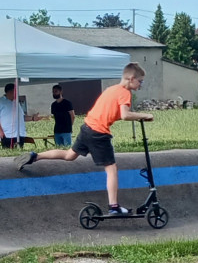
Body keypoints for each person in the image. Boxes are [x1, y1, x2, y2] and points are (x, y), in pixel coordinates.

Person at [17, 63, 153, 215]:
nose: (140, 85)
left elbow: (108, 112)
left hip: (87, 127)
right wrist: (145, 115)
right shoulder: (124, 93)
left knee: (69, 155)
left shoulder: (111, 90)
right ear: (131, 78)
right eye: (140, 81)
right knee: (112, 169)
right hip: (99, 133)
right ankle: (114, 206)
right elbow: (125, 115)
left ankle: (35, 156)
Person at [0, 83, 38, 148]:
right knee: (9, 154)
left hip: (20, 133)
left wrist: (32, 118)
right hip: (7, 134)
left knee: (19, 153)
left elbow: (22, 117)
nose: (16, 94)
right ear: (9, 92)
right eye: (15, 92)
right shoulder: (1, 101)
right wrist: (0, 131)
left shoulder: (16, 102)